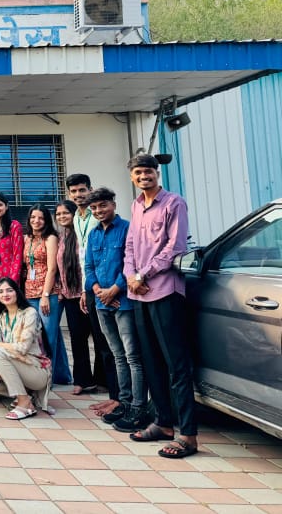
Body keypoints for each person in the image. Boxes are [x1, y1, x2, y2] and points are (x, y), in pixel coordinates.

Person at [124, 154, 198, 458]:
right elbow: (130, 246)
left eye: (148, 171)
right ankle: (163, 423)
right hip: (139, 294)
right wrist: (130, 276)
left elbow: (175, 247)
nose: (144, 176)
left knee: (176, 365)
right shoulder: (136, 205)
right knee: (151, 362)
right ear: (132, 177)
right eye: (138, 173)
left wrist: (143, 274)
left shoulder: (174, 203)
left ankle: (188, 435)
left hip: (165, 291)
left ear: (157, 173)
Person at [84, 187, 148, 433]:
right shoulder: (93, 234)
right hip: (102, 303)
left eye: (103, 205)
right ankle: (123, 402)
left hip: (124, 302)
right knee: (117, 355)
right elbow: (88, 267)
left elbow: (133, 263)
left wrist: (114, 290)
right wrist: (98, 290)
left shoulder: (128, 229)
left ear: (113, 204)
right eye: (94, 208)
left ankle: (138, 406)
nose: (99, 211)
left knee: (133, 356)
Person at [68, 172, 118, 411]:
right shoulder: (76, 218)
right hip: (89, 284)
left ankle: (113, 390)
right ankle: (105, 387)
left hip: (107, 285)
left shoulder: (98, 215)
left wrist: (107, 287)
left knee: (107, 341)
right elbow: (83, 258)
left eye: (82, 190)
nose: (78, 195)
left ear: (90, 189)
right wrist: (84, 289)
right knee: (94, 337)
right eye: (74, 191)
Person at [0, 277, 52, 419]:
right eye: (1, 292)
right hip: (15, 367)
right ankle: (26, 395)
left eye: (9, 290)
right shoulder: (0, 318)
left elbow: (22, 348)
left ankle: (24, 402)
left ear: (17, 292)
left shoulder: (30, 313)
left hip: (36, 371)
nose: (5, 294)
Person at [22, 205, 71, 386]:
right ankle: (62, 376)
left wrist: (45, 294)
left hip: (47, 294)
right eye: (33, 217)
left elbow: (52, 269)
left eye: (41, 218)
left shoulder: (50, 238)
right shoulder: (27, 238)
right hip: (29, 292)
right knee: (45, 335)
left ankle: (46, 379)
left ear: (47, 220)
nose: (36, 221)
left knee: (48, 336)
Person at [55, 201, 98, 394]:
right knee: (77, 340)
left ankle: (101, 379)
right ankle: (83, 380)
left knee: (98, 338)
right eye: (58, 214)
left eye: (65, 213)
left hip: (87, 292)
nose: (62, 216)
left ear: (74, 214)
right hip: (70, 296)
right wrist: (61, 289)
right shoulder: (60, 236)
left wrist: (85, 291)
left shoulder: (82, 233)